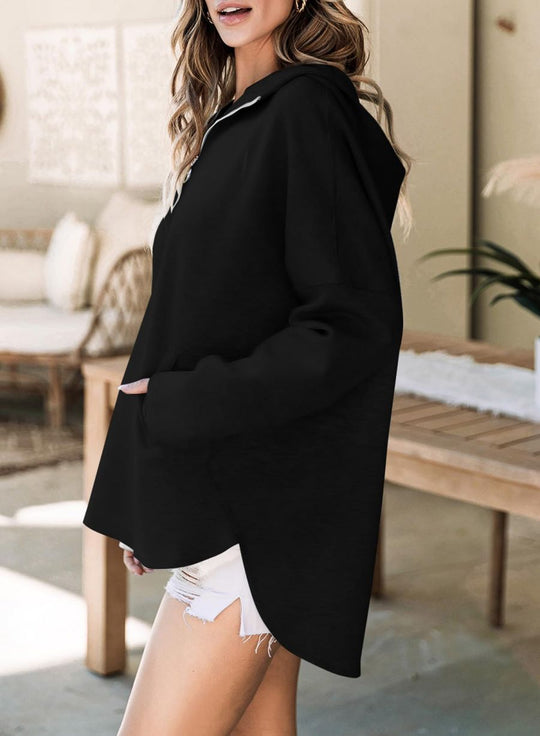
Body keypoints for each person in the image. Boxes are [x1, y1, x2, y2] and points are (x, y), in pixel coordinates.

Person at [82, 0, 413, 734]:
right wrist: (156, 486)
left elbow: (350, 327)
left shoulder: (307, 114)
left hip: (260, 520)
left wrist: (180, 405)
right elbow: (203, 321)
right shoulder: (238, 118)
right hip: (234, 493)